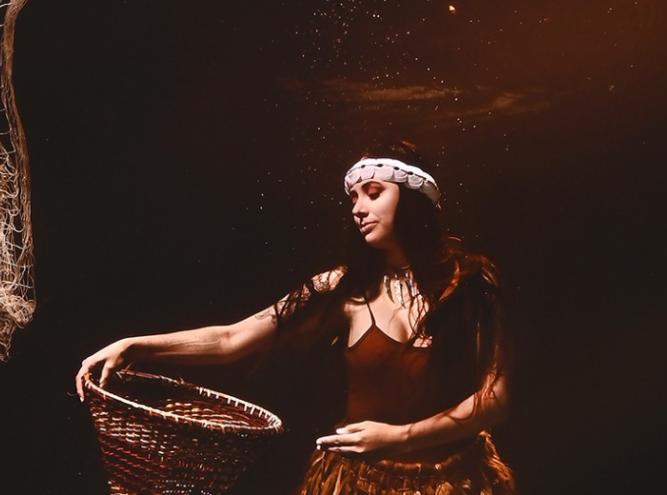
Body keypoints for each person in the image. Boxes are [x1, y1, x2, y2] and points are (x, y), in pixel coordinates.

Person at [75, 141, 516, 494]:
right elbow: (233, 338)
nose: (357, 208)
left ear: (416, 200)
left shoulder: (472, 284)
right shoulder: (339, 289)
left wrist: (399, 438)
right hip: (357, 483)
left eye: (374, 193)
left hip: (455, 482)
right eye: (353, 198)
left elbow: (493, 399)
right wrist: (135, 344)